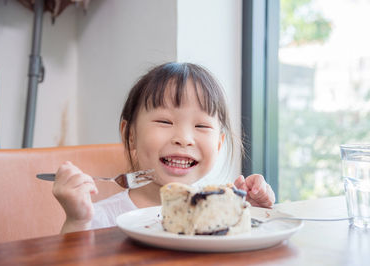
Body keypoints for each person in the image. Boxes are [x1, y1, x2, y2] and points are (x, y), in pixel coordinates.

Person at [53, 62, 275, 234]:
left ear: (218, 144)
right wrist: (77, 222)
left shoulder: (219, 210)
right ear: (131, 136)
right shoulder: (100, 220)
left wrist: (251, 213)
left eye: (201, 125)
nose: (184, 138)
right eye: (165, 122)